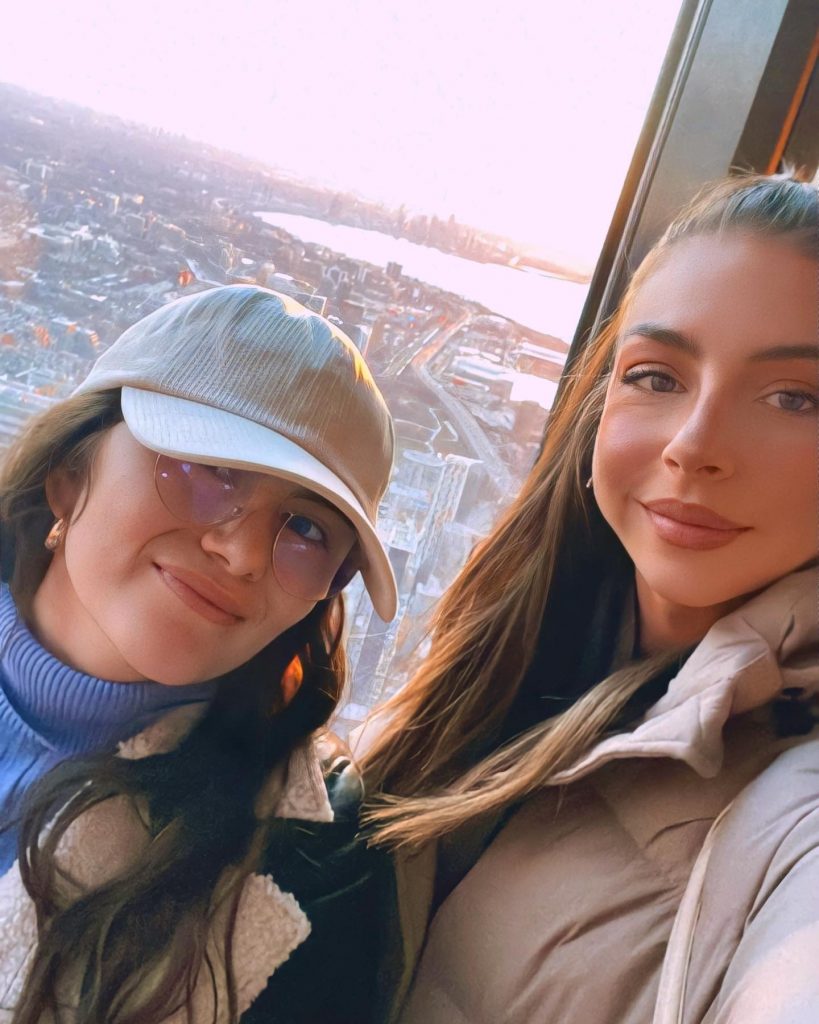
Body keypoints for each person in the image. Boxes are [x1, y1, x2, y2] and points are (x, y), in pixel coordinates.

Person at [360, 173, 819, 1024]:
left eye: (793, 397)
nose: (693, 446)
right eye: (656, 376)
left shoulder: (797, 811)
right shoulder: (518, 643)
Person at [0, 284, 397, 1024]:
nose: (244, 551)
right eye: (212, 469)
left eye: (306, 528)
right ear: (68, 473)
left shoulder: (304, 869)